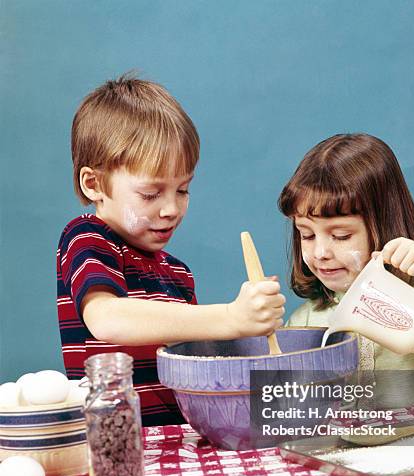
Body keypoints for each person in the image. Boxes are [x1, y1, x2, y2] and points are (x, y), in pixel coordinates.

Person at [57, 75, 285, 426]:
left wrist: (250, 323)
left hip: (183, 437)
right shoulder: (87, 238)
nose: (171, 209)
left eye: (182, 190)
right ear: (94, 184)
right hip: (119, 441)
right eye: (150, 194)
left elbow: (192, 361)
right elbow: (107, 319)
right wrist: (229, 317)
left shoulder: (177, 273)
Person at [278, 134, 414, 406]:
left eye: (341, 236)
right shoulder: (305, 322)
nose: (320, 252)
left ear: (384, 227)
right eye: (307, 235)